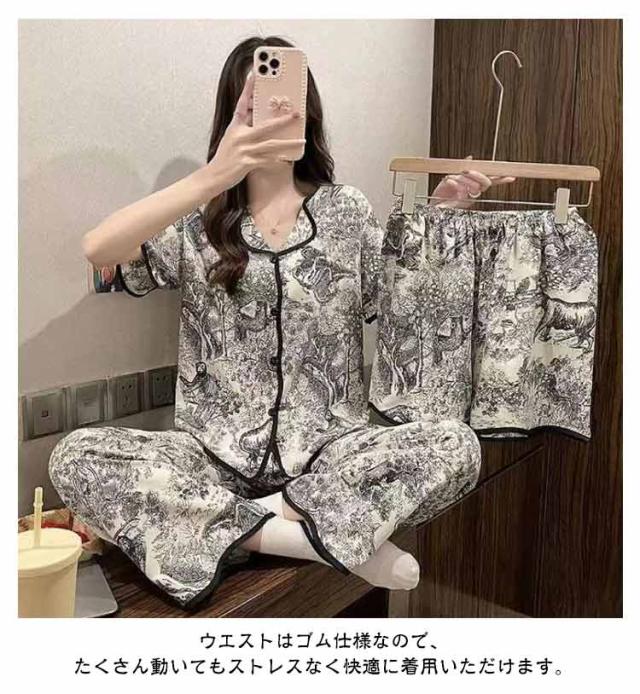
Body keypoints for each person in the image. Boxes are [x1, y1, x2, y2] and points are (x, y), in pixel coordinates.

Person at [48, 36, 514, 611]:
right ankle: (304, 539)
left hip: (329, 458)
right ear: (230, 116)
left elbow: (398, 302)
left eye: (285, 101)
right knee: (75, 456)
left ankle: (243, 528)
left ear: (308, 111)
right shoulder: (197, 221)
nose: (273, 116)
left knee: (455, 445)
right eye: (254, 105)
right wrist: (213, 177)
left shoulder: (345, 211)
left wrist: (439, 215)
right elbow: (98, 250)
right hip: (209, 461)